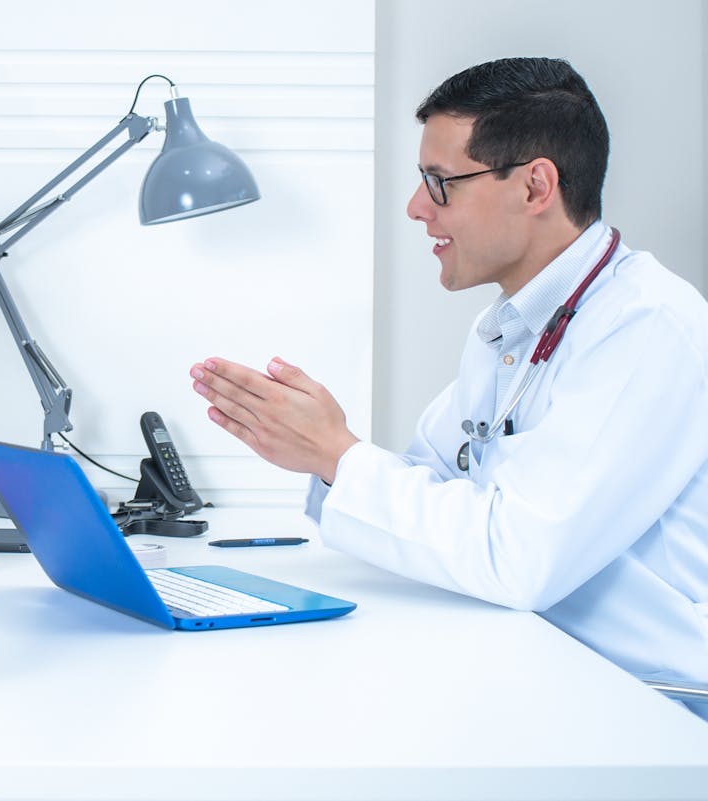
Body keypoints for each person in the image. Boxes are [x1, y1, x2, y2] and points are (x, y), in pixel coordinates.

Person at [189, 58, 708, 720]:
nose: (415, 207)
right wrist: (321, 454)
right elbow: (426, 494)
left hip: (653, 704)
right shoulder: (508, 330)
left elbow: (519, 558)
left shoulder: (646, 325)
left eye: (440, 183)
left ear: (535, 186)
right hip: (542, 667)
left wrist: (337, 456)